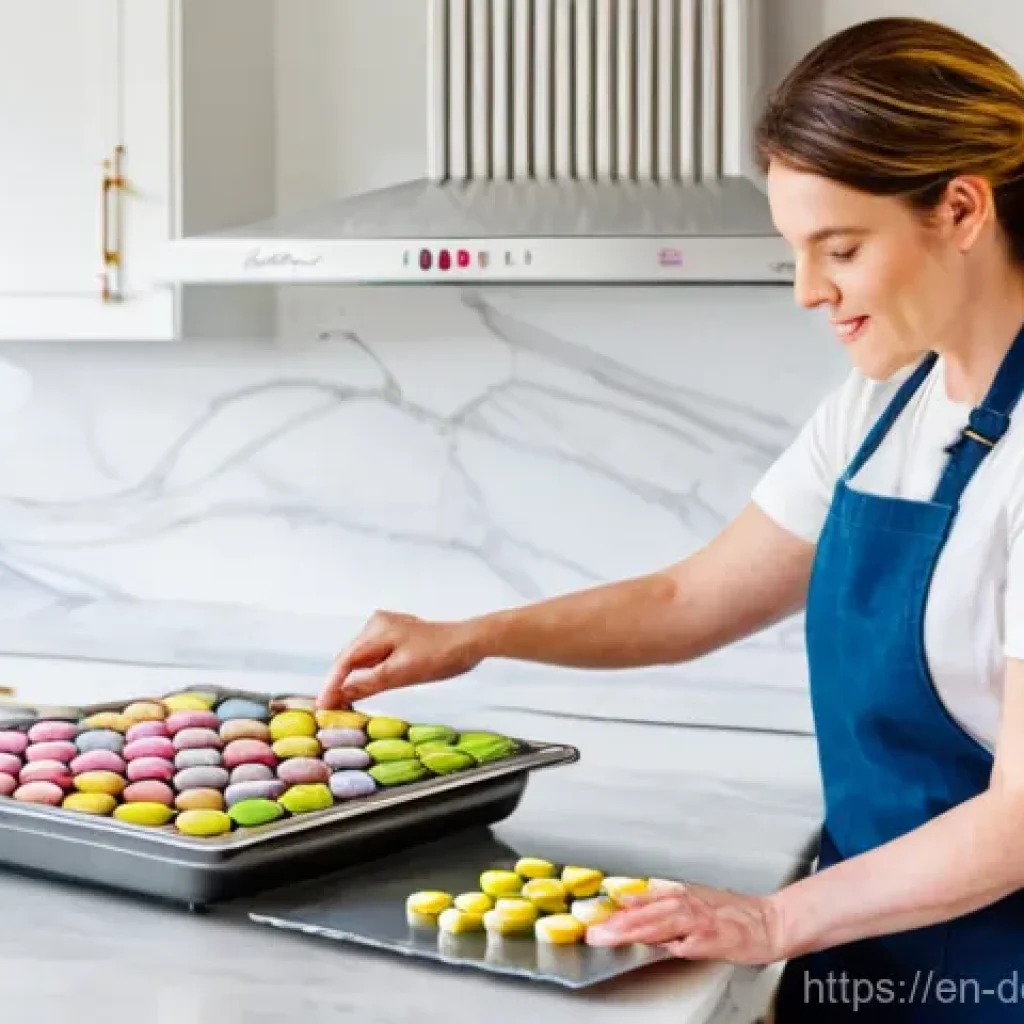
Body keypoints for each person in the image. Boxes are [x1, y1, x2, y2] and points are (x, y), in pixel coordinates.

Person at [318, 17, 1024, 1022]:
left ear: (959, 209)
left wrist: (773, 923)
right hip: (864, 948)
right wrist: (475, 637)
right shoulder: (885, 404)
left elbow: (1019, 819)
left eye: (840, 249)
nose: (806, 291)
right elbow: (688, 597)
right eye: (796, 251)